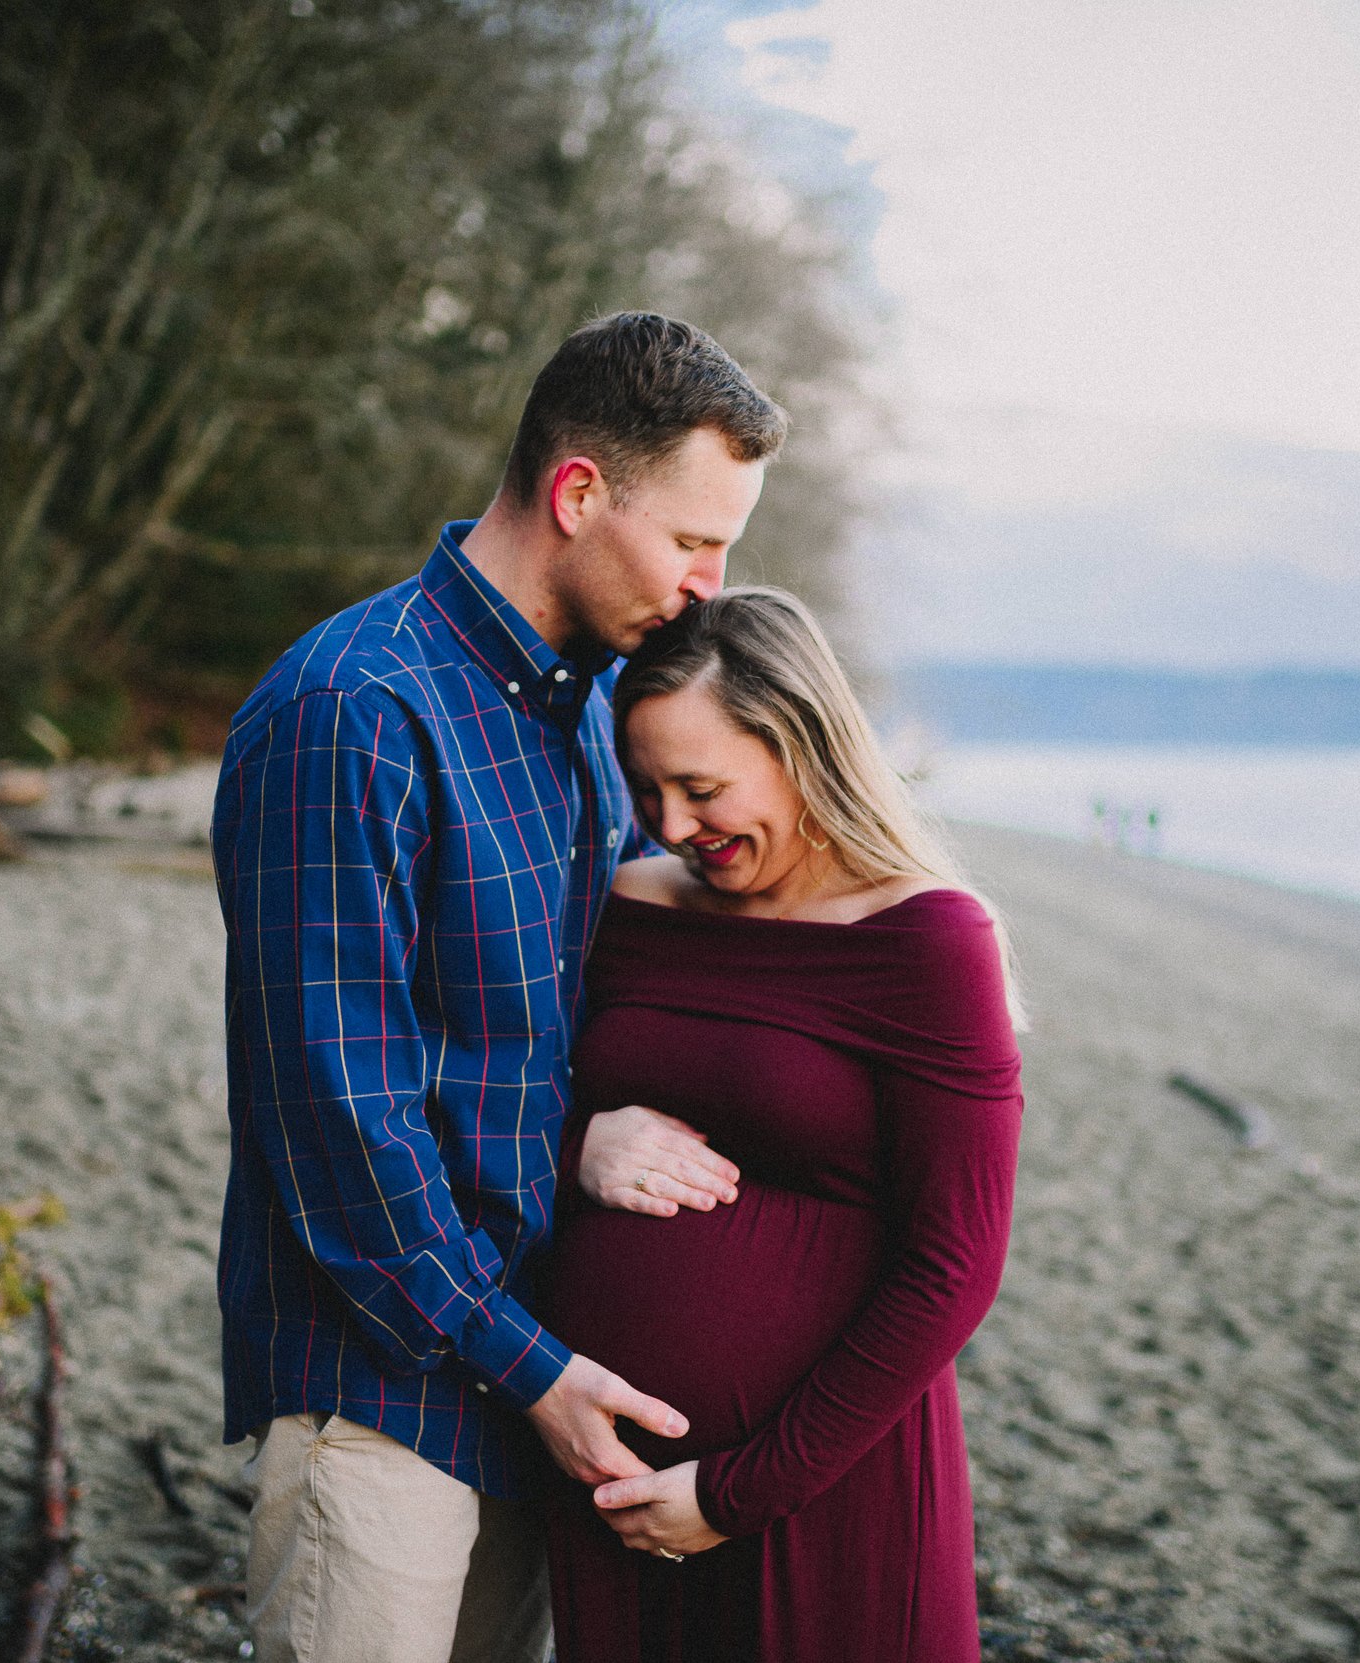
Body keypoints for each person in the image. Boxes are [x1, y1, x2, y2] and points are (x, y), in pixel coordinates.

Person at [211, 313, 787, 1663]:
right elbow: (338, 1113)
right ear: (580, 493)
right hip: (383, 1385)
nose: (710, 585)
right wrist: (532, 1366)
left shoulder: (596, 714)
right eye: (695, 539)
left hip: (549, 1361)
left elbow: (603, 1012)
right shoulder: (350, 708)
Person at [540, 588, 1027, 1661]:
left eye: (702, 787)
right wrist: (581, 1146)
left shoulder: (928, 942)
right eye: (649, 789)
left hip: (821, 1484)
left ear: (801, 745)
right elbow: (513, 1101)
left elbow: (955, 1261)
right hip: (613, 1479)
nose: (672, 825)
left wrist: (733, 1493)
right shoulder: (630, 907)